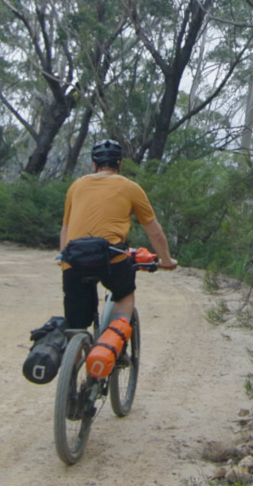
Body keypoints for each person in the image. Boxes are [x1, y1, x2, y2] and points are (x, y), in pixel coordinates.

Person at [58, 139, 176, 343]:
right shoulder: (131, 187)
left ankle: (73, 361)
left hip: (73, 261)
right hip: (111, 260)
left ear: (94, 165)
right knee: (124, 293)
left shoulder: (76, 186)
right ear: (119, 164)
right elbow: (155, 232)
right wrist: (166, 261)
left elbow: (66, 229)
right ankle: (114, 347)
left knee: (76, 327)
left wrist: (65, 262)